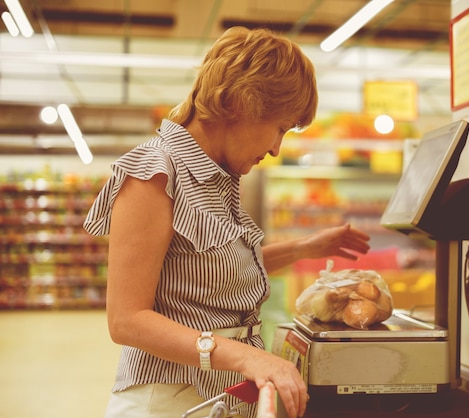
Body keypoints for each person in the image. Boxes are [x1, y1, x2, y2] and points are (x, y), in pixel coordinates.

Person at [84, 26, 371, 418]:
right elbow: (126, 320)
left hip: (217, 400)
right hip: (168, 401)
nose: (275, 148)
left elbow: (205, 273)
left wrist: (304, 249)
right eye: (280, 128)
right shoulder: (156, 171)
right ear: (242, 103)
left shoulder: (221, 179)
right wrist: (245, 358)